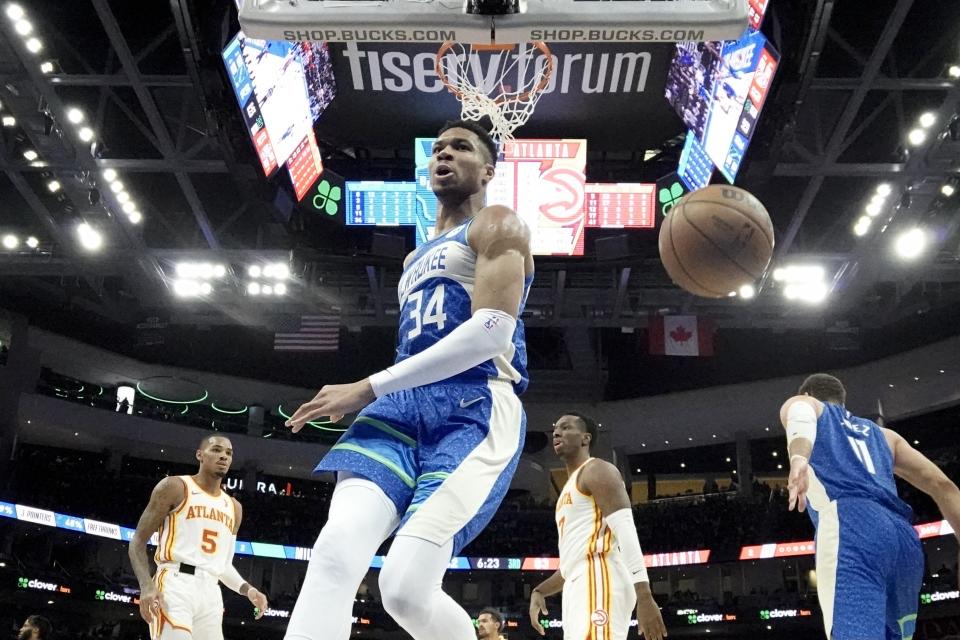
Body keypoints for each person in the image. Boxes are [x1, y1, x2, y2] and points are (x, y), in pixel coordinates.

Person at [283, 119, 534, 640]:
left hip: (475, 406)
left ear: (487, 170)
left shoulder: (497, 224)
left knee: (403, 589)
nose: (444, 155)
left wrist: (367, 386)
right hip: (399, 407)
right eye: (437, 149)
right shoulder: (412, 259)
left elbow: (491, 333)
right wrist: (383, 390)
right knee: (333, 554)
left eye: (460, 148)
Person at [782, 373, 960, 640]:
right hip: (902, 538)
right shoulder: (886, 436)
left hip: (853, 526)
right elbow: (943, 486)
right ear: (842, 401)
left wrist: (798, 456)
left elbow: (799, 412)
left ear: (809, 395)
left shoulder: (809, 406)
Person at [529, 413, 666, 640]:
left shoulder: (597, 470)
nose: (556, 432)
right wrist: (540, 590)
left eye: (566, 427)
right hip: (578, 582)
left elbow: (626, 531)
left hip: (600, 575)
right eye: (555, 429)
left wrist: (644, 594)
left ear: (585, 438)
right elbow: (572, 562)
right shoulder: (567, 489)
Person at [128, 434, 269, 639]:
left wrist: (248, 590)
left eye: (229, 453)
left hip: (211, 592)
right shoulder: (174, 487)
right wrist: (147, 587)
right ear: (200, 455)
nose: (224, 457)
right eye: (216, 450)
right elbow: (138, 542)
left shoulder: (234, 508)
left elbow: (223, 565)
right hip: (175, 583)